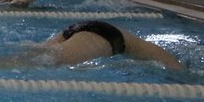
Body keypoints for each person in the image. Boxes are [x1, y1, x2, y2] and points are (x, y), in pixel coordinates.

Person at [38, 20, 184, 70]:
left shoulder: (149, 50)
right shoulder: (161, 57)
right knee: (40, 60)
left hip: (85, 31)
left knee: (37, 58)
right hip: (102, 36)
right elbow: (179, 72)